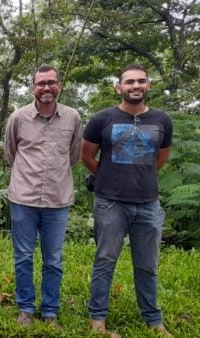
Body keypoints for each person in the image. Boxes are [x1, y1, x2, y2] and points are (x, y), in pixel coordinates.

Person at [81, 64, 174, 337]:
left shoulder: (162, 120)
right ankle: (97, 318)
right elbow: (86, 156)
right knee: (104, 261)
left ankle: (153, 320)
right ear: (118, 87)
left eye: (141, 81)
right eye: (130, 81)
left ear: (148, 86)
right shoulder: (102, 118)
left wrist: (140, 176)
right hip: (111, 203)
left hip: (148, 204)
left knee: (147, 265)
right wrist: (108, 177)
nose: (136, 86)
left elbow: (160, 159)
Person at [4, 66, 81, 329]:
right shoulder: (19, 117)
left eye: (51, 83)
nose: (46, 88)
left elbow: (73, 155)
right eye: (41, 84)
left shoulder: (72, 117)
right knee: (23, 256)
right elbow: (11, 153)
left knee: (54, 259)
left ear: (59, 85)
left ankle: (50, 311)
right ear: (32, 88)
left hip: (57, 200)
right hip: (23, 199)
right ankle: (25, 308)